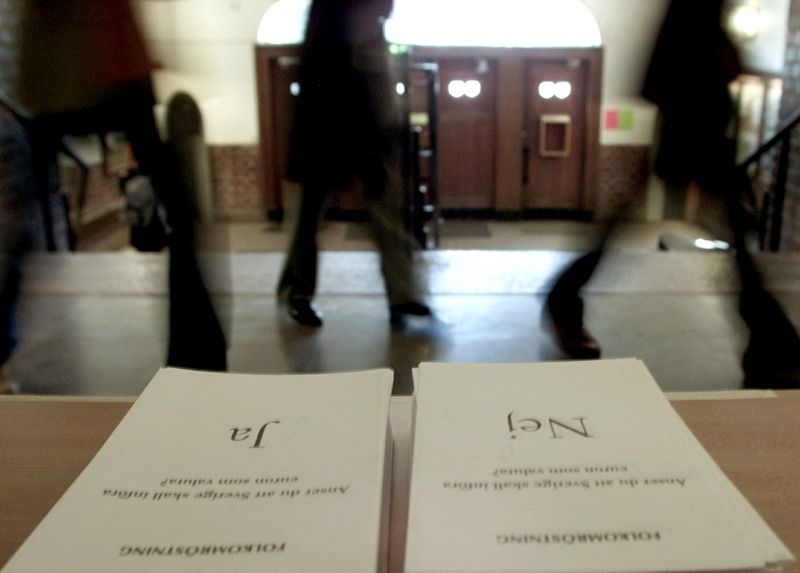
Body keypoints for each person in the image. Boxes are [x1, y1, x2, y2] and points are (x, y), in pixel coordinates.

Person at [545, 0, 800, 388]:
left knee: (635, 223)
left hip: (698, 120)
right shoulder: (692, 9)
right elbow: (680, 57)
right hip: (696, 122)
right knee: (733, 245)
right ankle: (772, 346)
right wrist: (724, 62)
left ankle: (562, 299)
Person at [17, 0, 227, 371]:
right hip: (93, 78)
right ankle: (198, 350)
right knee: (18, 219)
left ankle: (197, 349)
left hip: (113, 77)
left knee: (181, 211)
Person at [277, 0, 430, 328]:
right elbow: (326, 68)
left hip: (368, 122)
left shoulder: (367, 28)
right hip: (326, 116)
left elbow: (377, 74)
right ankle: (298, 292)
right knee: (309, 213)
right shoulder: (332, 20)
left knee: (384, 209)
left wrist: (388, 121)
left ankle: (401, 295)